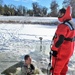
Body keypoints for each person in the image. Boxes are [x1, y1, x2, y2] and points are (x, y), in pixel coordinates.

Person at [50, 6, 75, 75]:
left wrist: (54, 50)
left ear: (65, 14)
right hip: (69, 51)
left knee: (56, 70)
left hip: (62, 51)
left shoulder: (63, 26)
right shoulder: (72, 23)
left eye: (61, 14)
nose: (59, 15)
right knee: (64, 68)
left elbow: (60, 40)